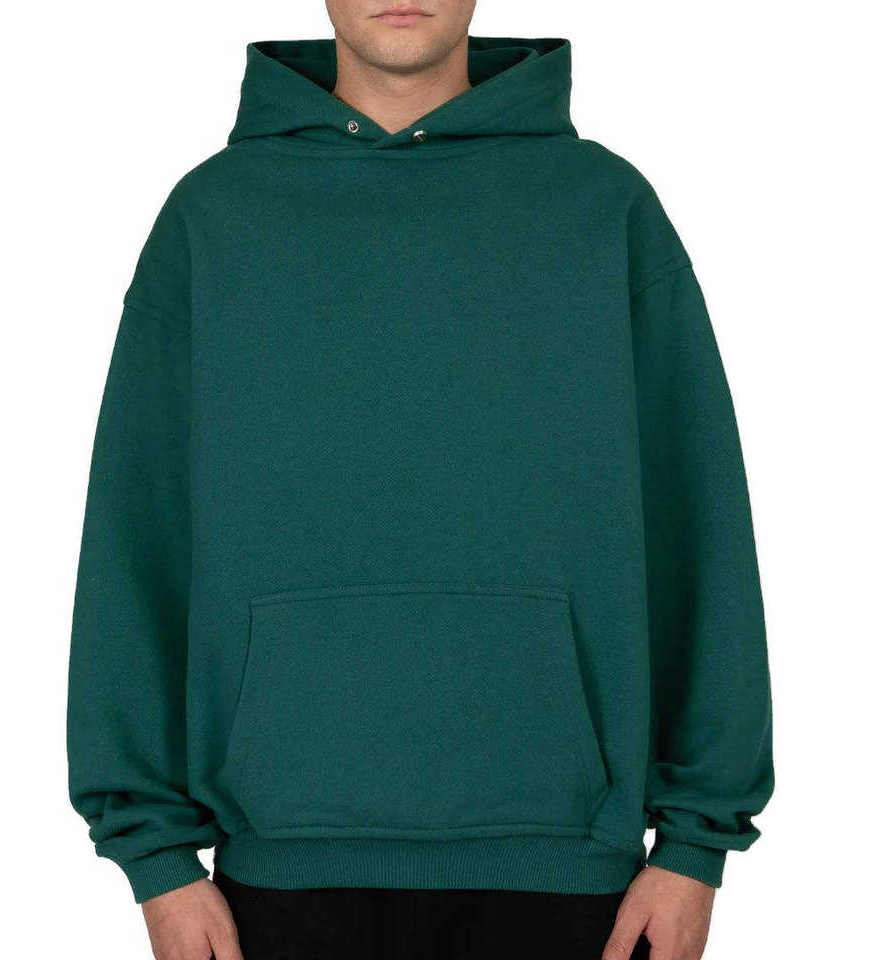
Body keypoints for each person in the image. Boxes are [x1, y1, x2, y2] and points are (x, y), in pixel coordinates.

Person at [66, 3, 774, 958]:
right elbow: (136, 537)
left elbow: (701, 528)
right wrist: (154, 857)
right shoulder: (214, 216)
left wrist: (695, 846)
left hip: (573, 881)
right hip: (273, 879)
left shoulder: (604, 208)